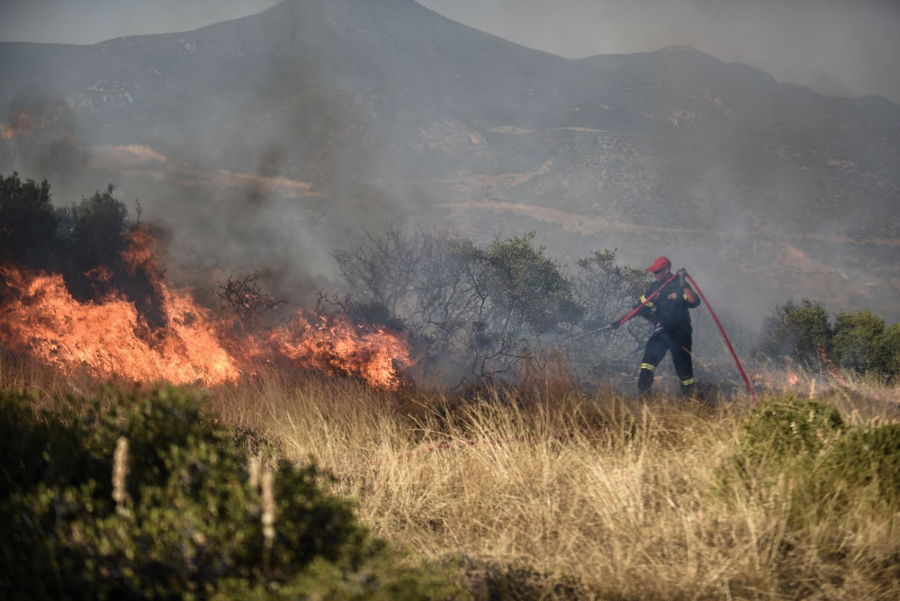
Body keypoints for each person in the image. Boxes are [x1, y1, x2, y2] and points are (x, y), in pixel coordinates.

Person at [614, 256, 701, 397]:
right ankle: (643, 396)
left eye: (657, 272)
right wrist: (619, 321)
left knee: (683, 368)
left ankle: (689, 399)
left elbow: (694, 302)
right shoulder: (654, 288)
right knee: (648, 360)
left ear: (666, 270)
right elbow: (639, 307)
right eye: (653, 272)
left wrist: (685, 284)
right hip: (662, 330)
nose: (654, 275)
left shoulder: (679, 285)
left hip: (680, 332)